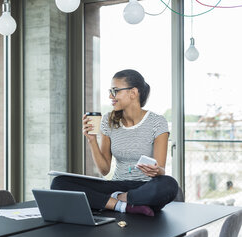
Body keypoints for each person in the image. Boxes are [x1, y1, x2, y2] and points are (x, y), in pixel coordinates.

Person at [51, 69, 178, 216]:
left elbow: (161, 170)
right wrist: (91, 140)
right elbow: (104, 170)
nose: (110, 96)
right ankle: (124, 207)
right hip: (116, 185)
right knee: (59, 183)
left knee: (169, 185)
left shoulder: (157, 122)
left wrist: (157, 171)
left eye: (115, 91)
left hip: (145, 187)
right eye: (110, 91)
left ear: (133, 93)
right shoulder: (108, 120)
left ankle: (117, 200)